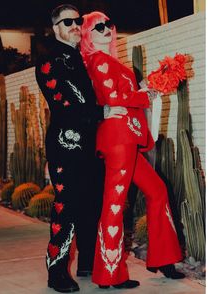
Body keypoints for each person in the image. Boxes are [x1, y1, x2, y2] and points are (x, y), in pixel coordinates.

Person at [80, 11, 185, 289]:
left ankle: (164, 259)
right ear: (87, 36)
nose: (106, 29)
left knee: (157, 191)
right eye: (97, 27)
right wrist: (142, 96)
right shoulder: (98, 60)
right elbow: (113, 97)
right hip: (118, 140)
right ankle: (109, 275)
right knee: (114, 204)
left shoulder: (113, 62)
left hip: (129, 138)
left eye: (108, 25)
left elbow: (125, 94)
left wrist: (146, 88)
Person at [35, 4, 127, 293]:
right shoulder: (50, 62)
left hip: (90, 145)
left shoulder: (83, 58)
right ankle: (57, 271)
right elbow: (66, 105)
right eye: (68, 22)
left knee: (92, 206)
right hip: (66, 145)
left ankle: (90, 264)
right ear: (56, 28)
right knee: (67, 208)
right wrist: (103, 113)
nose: (75, 25)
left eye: (78, 21)